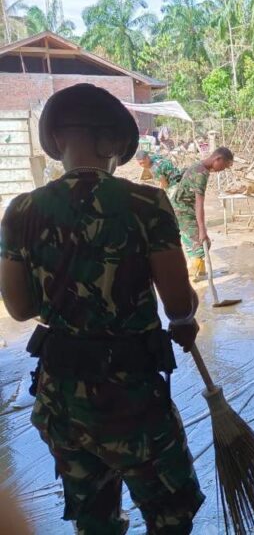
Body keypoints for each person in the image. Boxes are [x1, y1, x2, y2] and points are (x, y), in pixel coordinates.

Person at [0, 83, 205, 533]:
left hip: (62, 399)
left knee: (93, 518)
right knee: (170, 514)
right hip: (132, 397)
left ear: (56, 141)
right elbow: (176, 302)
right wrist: (188, 310)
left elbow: (19, 307)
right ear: (110, 142)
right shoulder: (145, 203)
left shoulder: (22, 210)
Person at [171, 147, 234, 280]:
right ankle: (194, 276)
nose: (222, 170)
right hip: (182, 210)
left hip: (183, 207)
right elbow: (199, 204)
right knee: (200, 244)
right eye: (224, 166)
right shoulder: (201, 174)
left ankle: (199, 272)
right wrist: (202, 229)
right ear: (218, 159)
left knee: (197, 242)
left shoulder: (199, 166)